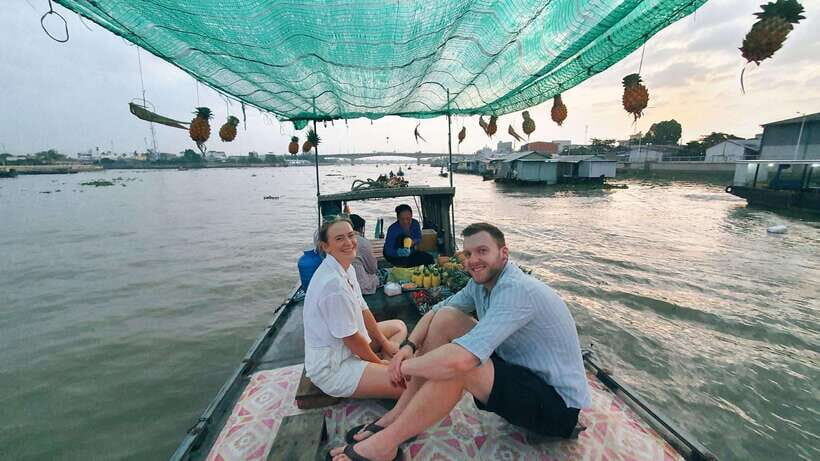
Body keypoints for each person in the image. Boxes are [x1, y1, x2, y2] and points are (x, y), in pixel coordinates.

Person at [330, 223, 590, 461]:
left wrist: (400, 367)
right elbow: (435, 313)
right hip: (525, 378)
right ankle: (396, 416)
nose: (473, 260)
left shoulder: (517, 290)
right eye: (468, 254)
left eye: (482, 251)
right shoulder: (481, 284)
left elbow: (463, 359)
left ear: (504, 253)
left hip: (556, 408)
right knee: (446, 319)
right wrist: (408, 348)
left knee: (461, 366)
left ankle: (384, 445)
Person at [303, 216, 408, 400]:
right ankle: (383, 368)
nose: (348, 242)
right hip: (334, 366)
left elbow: (362, 308)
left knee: (399, 326)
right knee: (408, 384)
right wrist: (379, 364)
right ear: (325, 246)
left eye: (350, 235)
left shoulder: (346, 268)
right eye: (339, 238)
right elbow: (351, 338)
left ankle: (384, 363)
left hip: (349, 348)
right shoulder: (333, 285)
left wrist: (384, 343)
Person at [349, 214, 380, 295]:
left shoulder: (336, 242)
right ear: (361, 228)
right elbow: (372, 268)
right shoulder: (363, 242)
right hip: (360, 286)